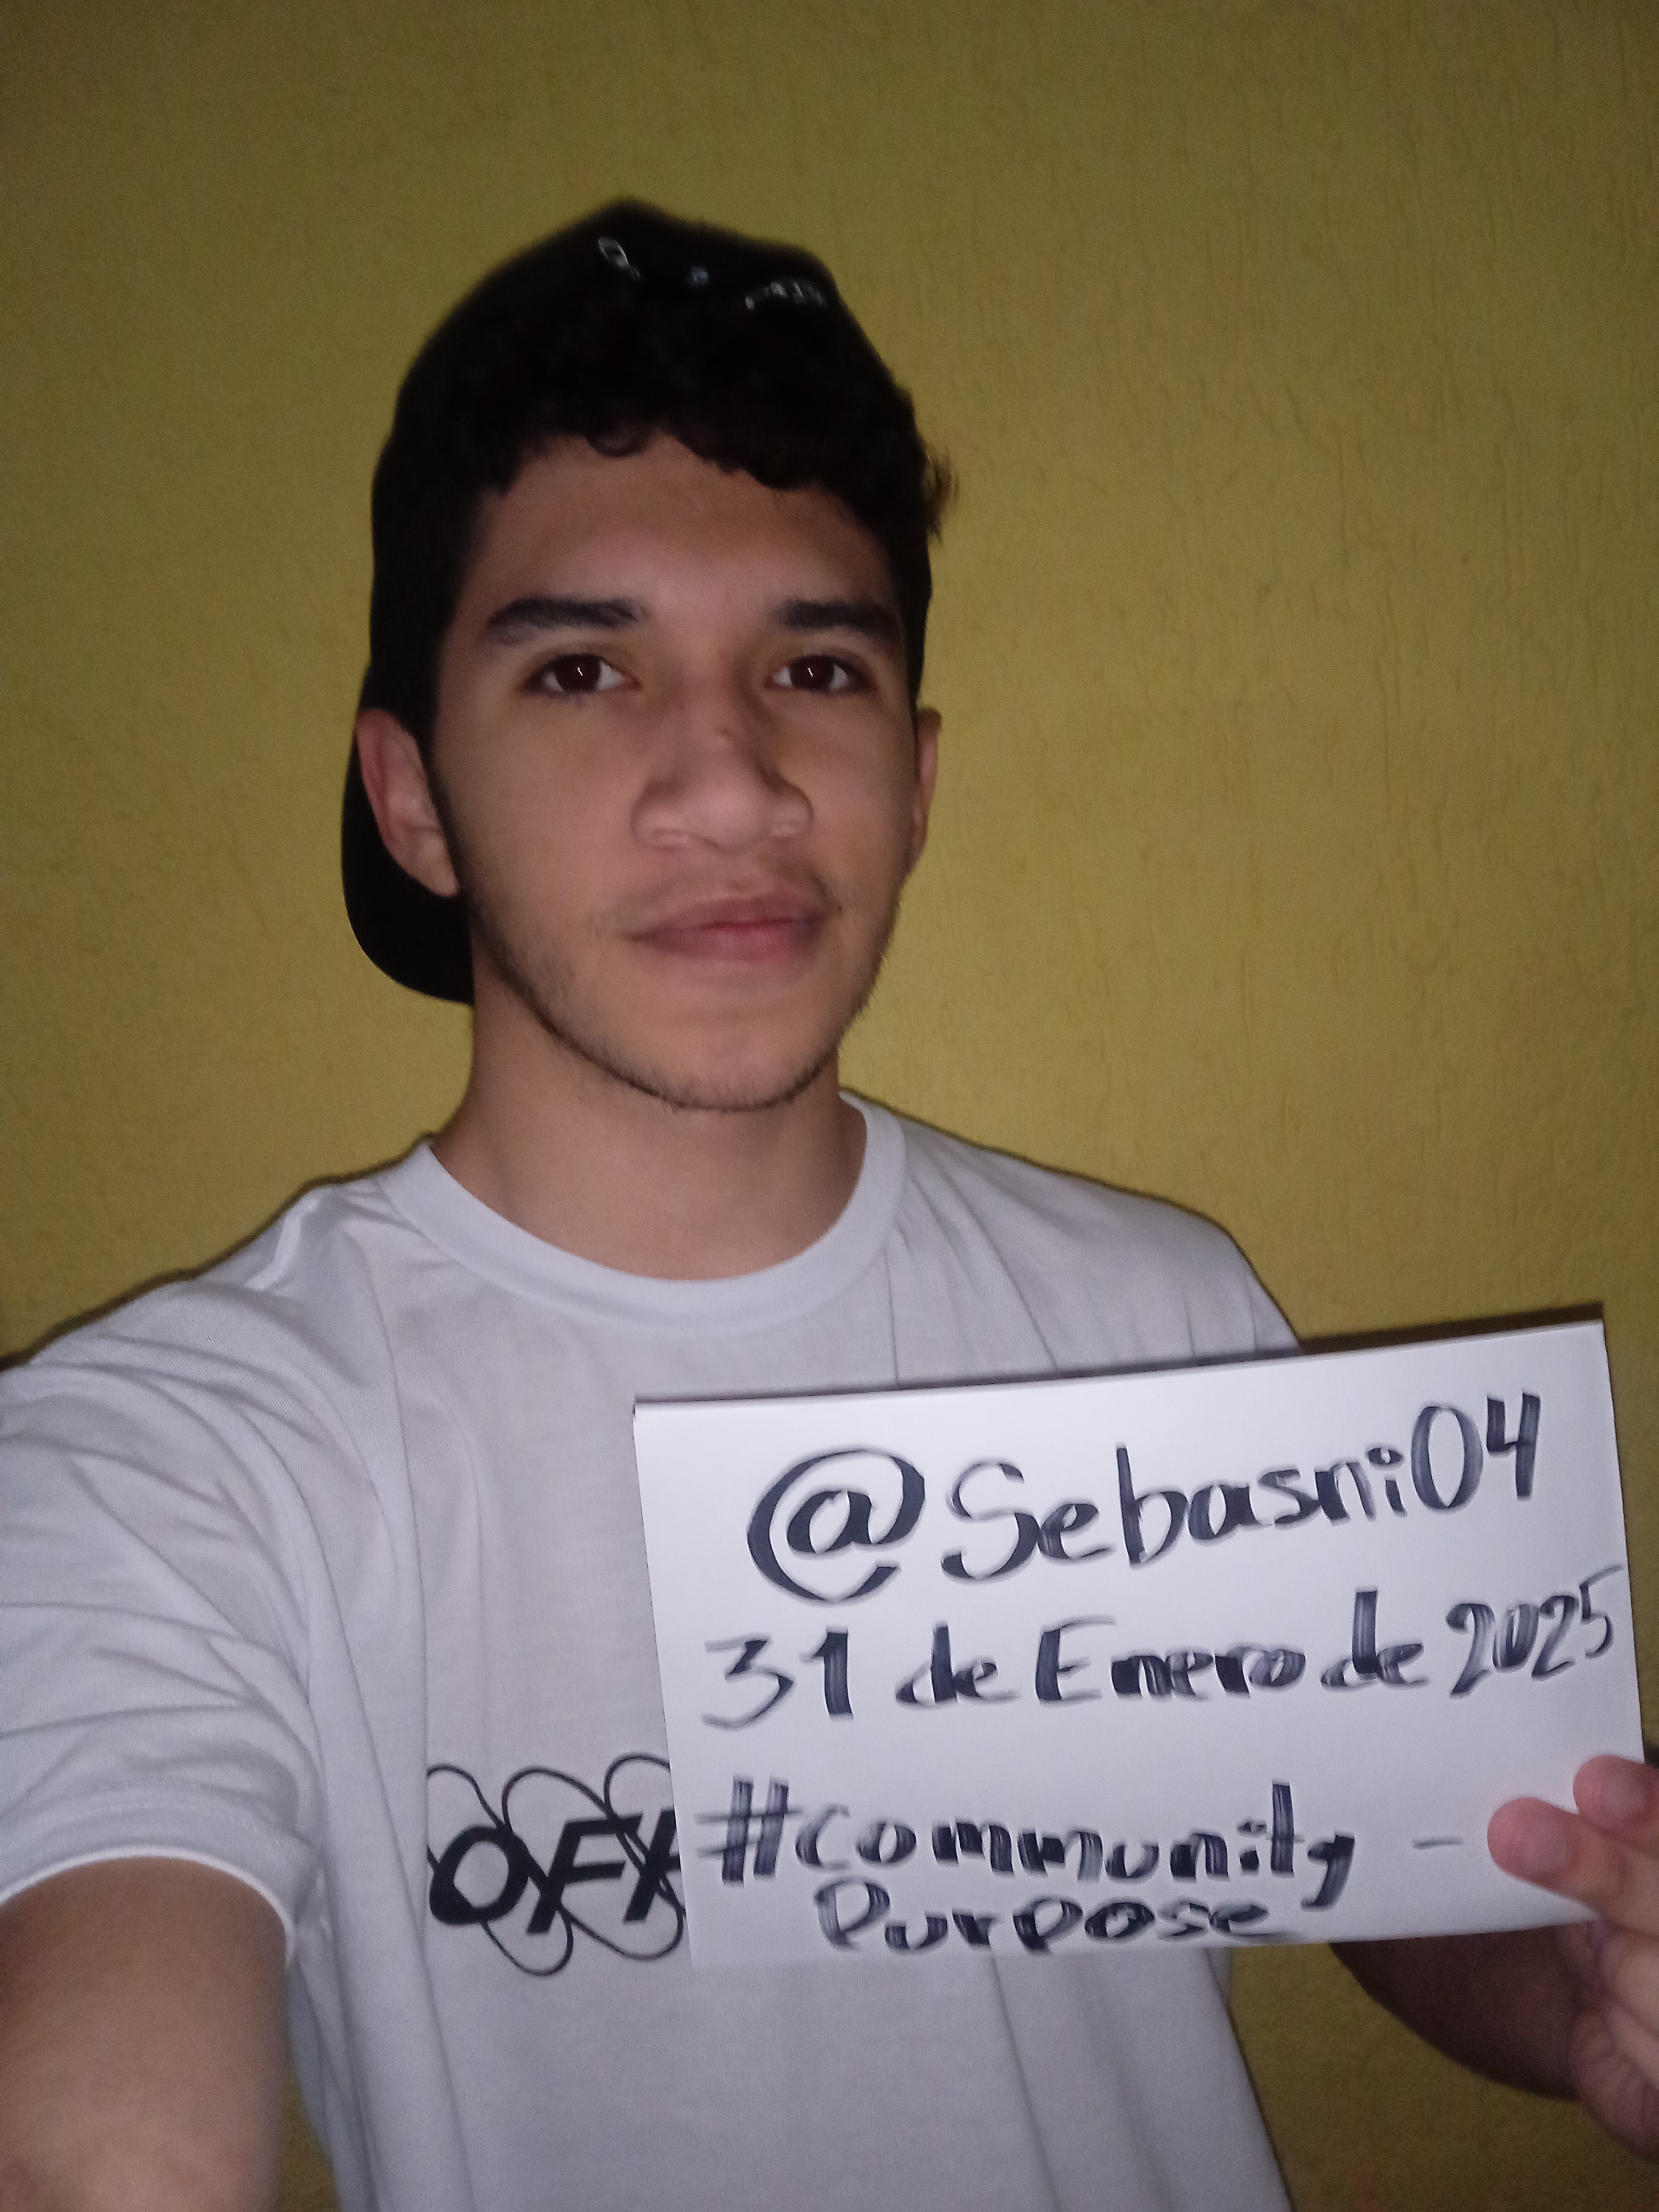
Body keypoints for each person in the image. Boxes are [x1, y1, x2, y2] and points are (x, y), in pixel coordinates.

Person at [0, 203, 1653, 2212]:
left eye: (815, 665)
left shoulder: (1150, 1315)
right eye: (583, 668)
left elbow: (1378, 1864)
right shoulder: (171, 1461)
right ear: (411, 796)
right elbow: (100, 2130)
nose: (735, 785)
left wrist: (1584, 1981)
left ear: (918, 780)